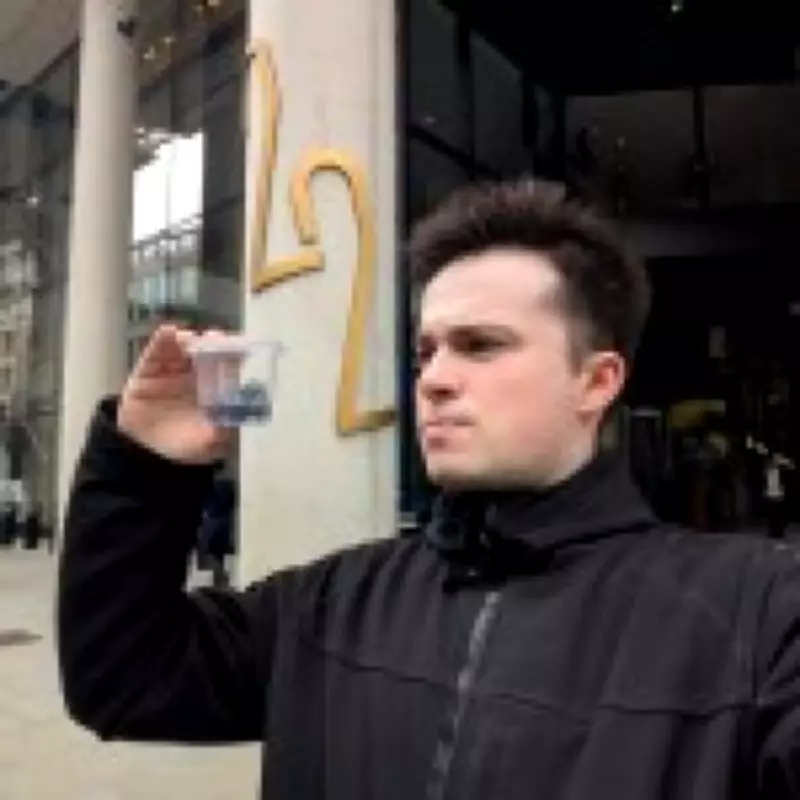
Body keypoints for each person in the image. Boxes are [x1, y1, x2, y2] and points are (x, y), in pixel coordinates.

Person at [57, 179, 800, 799]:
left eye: (480, 345)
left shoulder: (759, 617)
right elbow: (123, 678)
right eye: (426, 351)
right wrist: (146, 466)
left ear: (596, 380)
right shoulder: (334, 603)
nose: (435, 378)